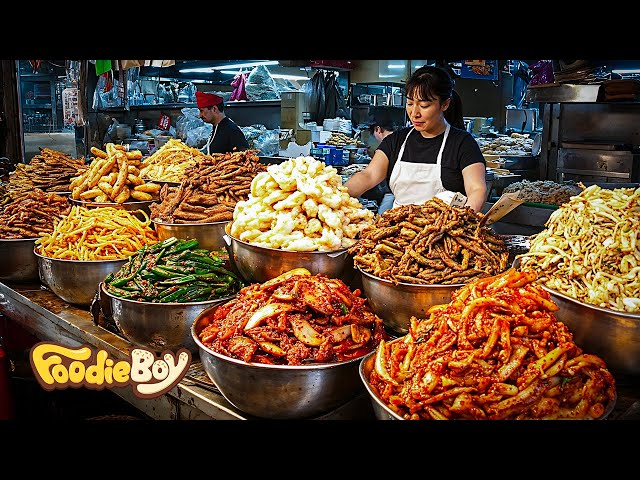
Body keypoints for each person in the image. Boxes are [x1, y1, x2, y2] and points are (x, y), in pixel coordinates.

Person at [344, 65, 487, 213]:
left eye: (424, 105)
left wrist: (462, 221)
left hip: (443, 231)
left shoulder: (463, 143)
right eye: (410, 103)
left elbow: (477, 189)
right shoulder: (396, 141)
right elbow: (368, 175)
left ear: (445, 104)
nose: (414, 113)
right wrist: (337, 195)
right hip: (398, 230)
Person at [368, 114, 396, 214]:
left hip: (391, 195)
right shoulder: (403, 140)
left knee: (382, 223)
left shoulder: (386, 146)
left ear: (378, 129)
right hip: (398, 195)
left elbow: (370, 176)